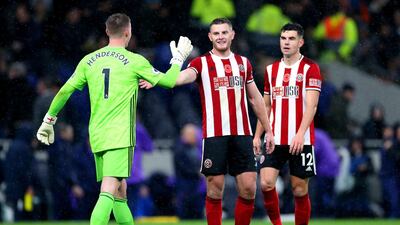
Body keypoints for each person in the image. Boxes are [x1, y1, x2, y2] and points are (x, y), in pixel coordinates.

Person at [35, 13, 193, 225]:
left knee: (120, 191)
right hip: (119, 135)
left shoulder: (88, 60)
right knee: (109, 189)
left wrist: (49, 120)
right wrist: (177, 60)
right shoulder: (135, 61)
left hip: (97, 135)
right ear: (128, 33)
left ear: (107, 32)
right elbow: (169, 81)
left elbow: (65, 91)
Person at [140, 18, 274, 225]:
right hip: (214, 135)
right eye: (216, 33)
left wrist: (269, 131)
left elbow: (255, 98)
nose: (220, 37)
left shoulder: (243, 63)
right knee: (215, 187)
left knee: (248, 187)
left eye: (224, 32)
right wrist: (161, 73)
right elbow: (177, 79)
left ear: (232, 35)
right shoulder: (201, 63)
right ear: (210, 37)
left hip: (242, 134)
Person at [253, 23, 321, 225]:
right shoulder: (271, 70)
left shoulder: (310, 68)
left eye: (291, 39)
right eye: (283, 38)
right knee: (265, 184)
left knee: (299, 189)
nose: (286, 42)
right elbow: (265, 106)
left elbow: (312, 106)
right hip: (274, 138)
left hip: (301, 139)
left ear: (300, 42)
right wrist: (258, 135)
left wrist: (300, 133)